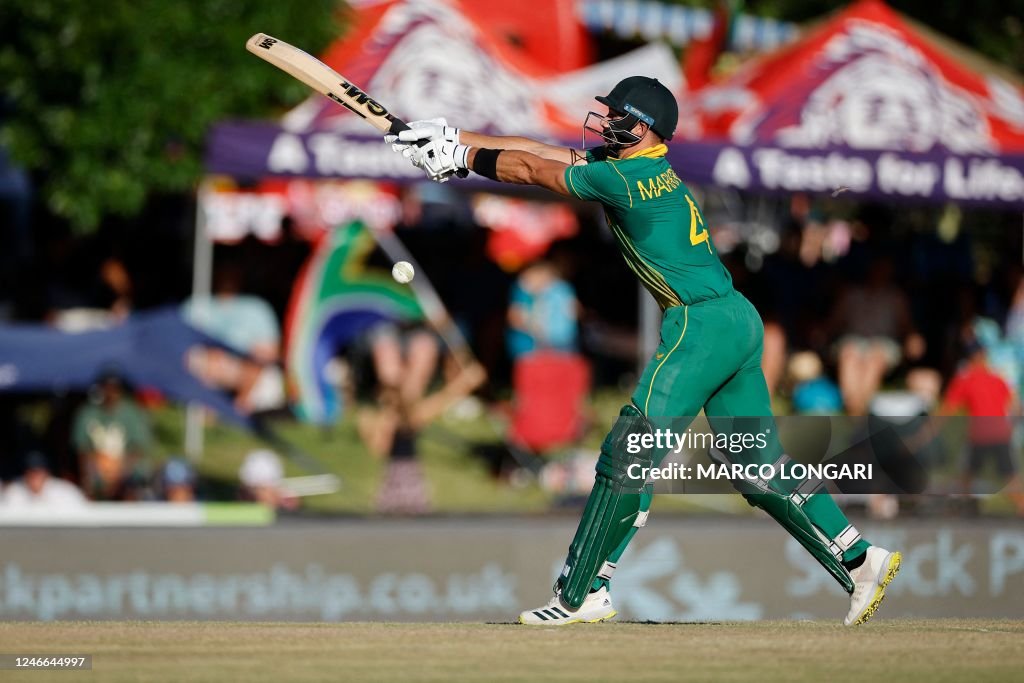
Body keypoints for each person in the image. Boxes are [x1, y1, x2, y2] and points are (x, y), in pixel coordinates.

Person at [387, 76, 901, 626]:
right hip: (736, 320)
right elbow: (541, 151)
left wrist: (463, 157)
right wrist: (450, 137)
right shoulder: (639, 170)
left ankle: (580, 593)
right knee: (757, 469)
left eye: (616, 117)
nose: (605, 124)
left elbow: (535, 171)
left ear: (644, 127)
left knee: (627, 453)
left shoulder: (624, 180)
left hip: (699, 327)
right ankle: (859, 556)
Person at [71, 369, 152, 501]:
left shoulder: (132, 413)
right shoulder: (87, 413)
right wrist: (98, 473)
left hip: (127, 478)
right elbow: (82, 451)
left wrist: (118, 473)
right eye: (107, 387)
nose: (111, 392)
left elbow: (138, 449)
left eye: (115, 388)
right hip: (96, 478)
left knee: (132, 494)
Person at [1, 451, 87, 509]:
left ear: (47, 473)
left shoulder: (66, 492)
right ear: (25, 474)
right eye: (31, 472)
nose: (35, 477)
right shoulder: (14, 492)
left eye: (38, 472)